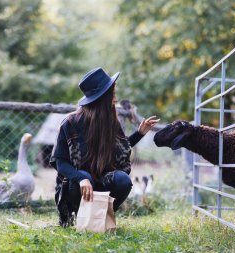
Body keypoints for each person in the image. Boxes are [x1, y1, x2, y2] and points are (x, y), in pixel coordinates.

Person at [50, 67, 160, 227]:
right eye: (112, 95)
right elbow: (60, 163)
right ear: (101, 98)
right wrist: (82, 179)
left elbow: (120, 149)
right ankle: (75, 217)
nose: (115, 100)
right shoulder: (69, 123)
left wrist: (139, 133)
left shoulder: (110, 122)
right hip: (76, 186)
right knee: (83, 176)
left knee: (123, 181)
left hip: (102, 180)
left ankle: (99, 216)